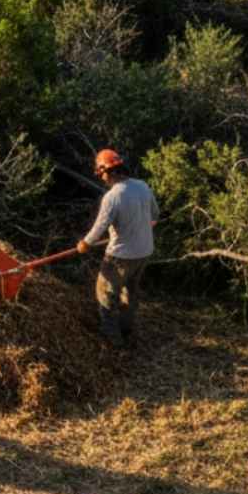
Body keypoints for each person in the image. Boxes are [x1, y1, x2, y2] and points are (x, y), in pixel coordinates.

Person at [77, 149, 159, 348]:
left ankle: (112, 339)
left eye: (101, 173)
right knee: (130, 292)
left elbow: (100, 226)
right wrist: (139, 225)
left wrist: (85, 243)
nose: (102, 177)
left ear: (107, 171)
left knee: (105, 292)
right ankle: (126, 329)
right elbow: (155, 215)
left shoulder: (113, 196)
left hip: (121, 256)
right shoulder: (142, 186)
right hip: (144, 251)